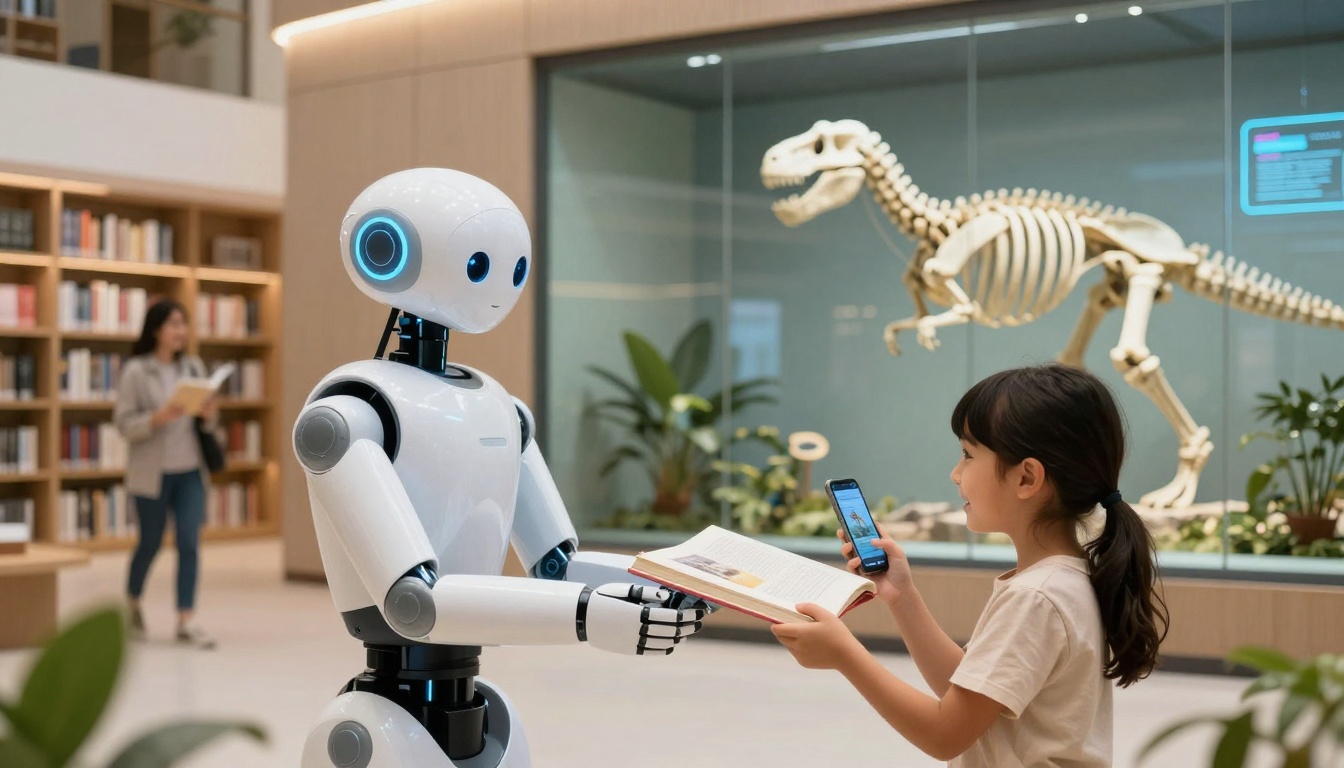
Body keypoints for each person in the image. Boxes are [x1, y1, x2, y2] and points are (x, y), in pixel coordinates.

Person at [772, 364, 1168, 766]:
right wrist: (902, 595)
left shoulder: (1035, 599)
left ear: (1027, 478)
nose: (955, 473)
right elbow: (971, 692)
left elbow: (946, 734)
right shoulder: (1062, 579)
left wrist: (845, 655)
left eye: (967, 454)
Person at [113, 298, 220, 649]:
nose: (181, 331)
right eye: (174, 324)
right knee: (150, 543)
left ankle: (186, 619)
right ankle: (131, 604)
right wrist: (159, 417)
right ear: (157, 329)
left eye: (184, 323)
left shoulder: (193, 365)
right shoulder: (136, 371)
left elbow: (210, 421)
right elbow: (124, 424)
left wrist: (207, 413)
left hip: (190, 470)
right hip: (152, 473)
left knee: (189, 543)